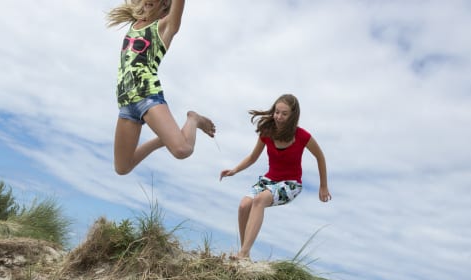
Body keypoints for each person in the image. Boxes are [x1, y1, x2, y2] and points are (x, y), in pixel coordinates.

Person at [106, 0, 216, 175]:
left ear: (165, 4)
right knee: (122, 167)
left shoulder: (165, 26)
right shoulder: (136, 22)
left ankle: (193, 119)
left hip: (148, 95)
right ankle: (162, 139)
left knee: (182, 150)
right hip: (126, 102)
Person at [219, 94, 332, 260]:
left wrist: (323, 186)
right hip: (269, 180)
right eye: (277, 112)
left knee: (259, 200)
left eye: (284, 114)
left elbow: (320, 156)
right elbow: (252, 157)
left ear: (292, 116)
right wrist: (234, 170)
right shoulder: (267, 132)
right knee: (244, 205)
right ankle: (246, 252)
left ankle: (242, 254)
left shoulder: (302, 136)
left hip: (290, 184)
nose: (279, 117)